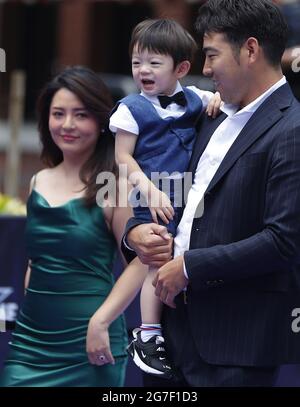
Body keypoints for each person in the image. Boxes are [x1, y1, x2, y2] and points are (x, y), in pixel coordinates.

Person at [123, 0, 300, 387]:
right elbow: (173, 192)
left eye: (211, 55)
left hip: (234, 347)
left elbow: (284, 241)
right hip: (168, 339)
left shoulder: (293, 128)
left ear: (250, 50)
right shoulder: (209, 116)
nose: (204, 70)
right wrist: (135, 235)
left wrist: (188, 268)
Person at [94, 18, 221, 379]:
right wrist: (148, 189)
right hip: (150, 200)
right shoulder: (129, 109)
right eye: (137, 62)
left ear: (181, 68)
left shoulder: (196, 98)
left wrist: (217, 100)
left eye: (154, 62)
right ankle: (148, 332)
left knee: (181, 260)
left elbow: (221, 102)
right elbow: (122, 159)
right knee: (156, 257)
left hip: (189, 199)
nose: (142, 70)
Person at [0, 66, 131, 387]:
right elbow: (36, 259)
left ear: (101, 122)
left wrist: (102, 321)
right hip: (31, 339)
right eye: (58, 113)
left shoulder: (114, 185)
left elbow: (140, 262)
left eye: (81, 115)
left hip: (93, 342)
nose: (67, 124)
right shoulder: (38, 181)